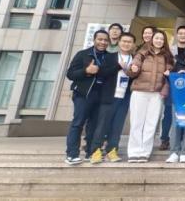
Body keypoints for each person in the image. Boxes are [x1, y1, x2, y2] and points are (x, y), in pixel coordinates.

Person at [64, 30, 111, 165]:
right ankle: (72, 154)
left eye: (105, 40)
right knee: (78, 123)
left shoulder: (109, 57)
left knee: (94, 125)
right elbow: (70, 74)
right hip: (83, 94)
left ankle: (90, 152)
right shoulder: (83, 54)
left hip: (101, 95)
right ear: (94, 40)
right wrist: (86, 71)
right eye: (100, 39)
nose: (102, 42)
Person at [126, 29, 174, 163]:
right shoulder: (142, 53)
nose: (159, 41)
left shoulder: (168, 57)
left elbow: (169, 75)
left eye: (161, 39)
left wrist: (169, 74)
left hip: (157, 94)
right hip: (139, 91)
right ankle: (133, 152)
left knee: (151, 124)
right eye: (156, 38)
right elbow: (131, 71)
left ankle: (145, 152)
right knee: (136, 122)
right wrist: (132, 69)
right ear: (152, 39)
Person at [88, 32, 136, 164]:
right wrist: (118, 66)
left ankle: (112, 150)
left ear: (133, 45)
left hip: (124, 97)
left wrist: (134, 71)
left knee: (117, 125)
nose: (126, 44)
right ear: (119, 42)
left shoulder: (134, 59)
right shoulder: (110, 57)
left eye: (129, 42)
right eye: (124, 41)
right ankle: (96, 151)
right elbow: (102, 73)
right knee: (102, 125)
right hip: (109, 96)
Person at [161, 25, 185, 151]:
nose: (183, 35)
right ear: (177, 35)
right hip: (171, 85)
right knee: (168, 113)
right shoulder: (170, 50)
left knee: (184, 114)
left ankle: (181, 139)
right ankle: (165, 139)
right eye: (180, 33)